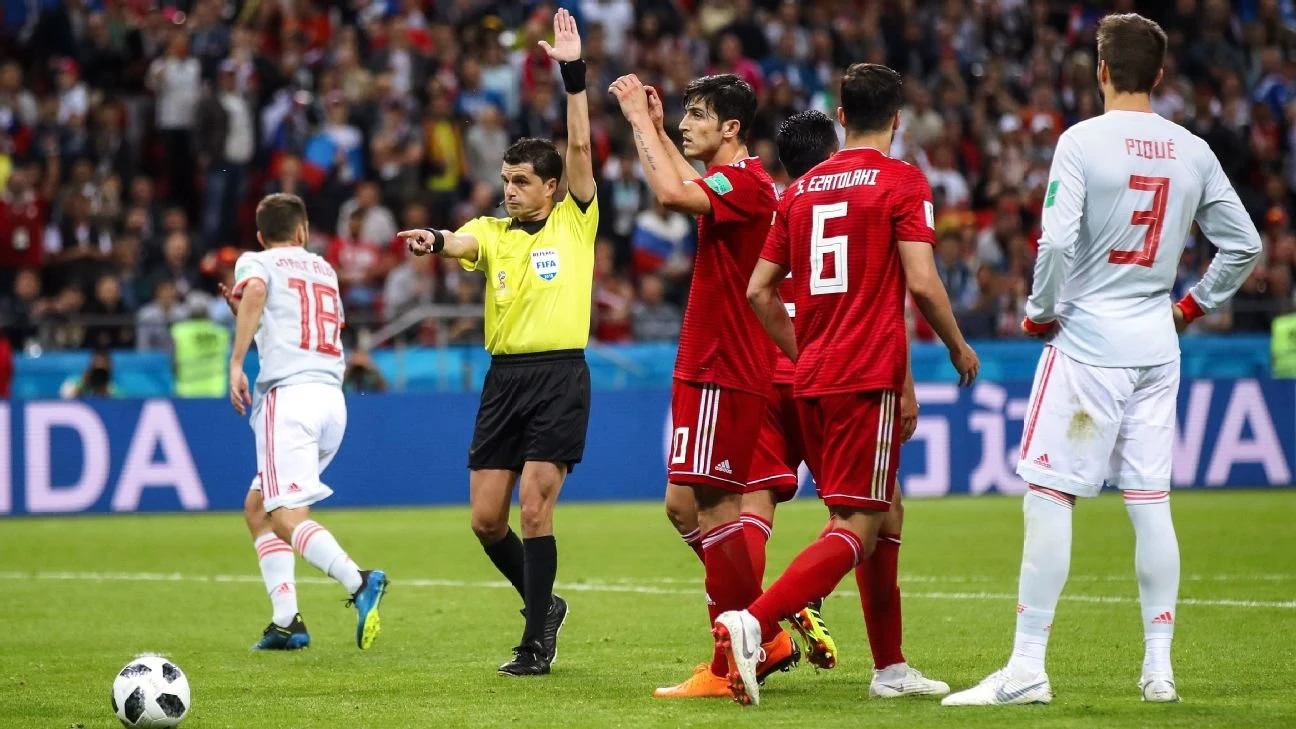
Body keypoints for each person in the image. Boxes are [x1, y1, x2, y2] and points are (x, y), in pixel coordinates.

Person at [942, 14, 1262, 707]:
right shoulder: (1193, 150)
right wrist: (1191, 306)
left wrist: (1039, 309)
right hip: (1156, 347)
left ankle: (1027, 667)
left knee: (1050, 494)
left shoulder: (1083, 141)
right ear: (1160, 75)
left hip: (1089, 347)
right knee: (1150, 503)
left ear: (1103, 71)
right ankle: (1159, 670)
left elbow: (1057, 242)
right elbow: (1245, 245)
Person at [725, 63, 980, 706]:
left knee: (885, 507)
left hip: (816, 377)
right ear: (898, 119)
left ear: (841, 117)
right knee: (858, 525)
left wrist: (805, 349)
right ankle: (755, 622)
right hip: (864, 377)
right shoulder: (902, 181)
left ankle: (890, 667)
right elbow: (921, 282)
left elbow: (758, 290)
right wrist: (957, 345)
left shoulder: (800, 191)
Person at [397, 9, 596, 677]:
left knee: (534, 504)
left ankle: (534, 643)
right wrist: (434, 241)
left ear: (551, 187)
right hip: (504, 379)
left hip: (559, 377)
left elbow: (580, 147)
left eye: (521, 182)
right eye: (506, 181)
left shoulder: (575, 220)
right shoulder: (492, 232)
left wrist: (573, 75)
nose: (509, 191)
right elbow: (459, 241)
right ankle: (547, 604)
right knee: (486, 520)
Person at [607, 71, 796, 698]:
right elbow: (684, 184)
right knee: (682, 506)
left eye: (697, 115)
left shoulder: (747, 183)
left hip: (725, 365)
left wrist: (639, 120)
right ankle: (765, 628)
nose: (686, 125)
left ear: (731, 128)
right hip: (704, 362)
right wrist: (659, 131)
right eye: (684, 115)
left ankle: (731, 657)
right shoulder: (731, 180)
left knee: (715, 508)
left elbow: (669, 194)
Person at [225, 193, 389, 652]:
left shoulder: (255, 262)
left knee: (285, 516)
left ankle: (359, 580)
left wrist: (237, 362)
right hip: (331, 400)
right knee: (259, 508)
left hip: (290, 400)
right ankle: (287, 622)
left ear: (262, 236)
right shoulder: (323, 268)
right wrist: (248, 316)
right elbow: (298, 322)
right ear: (302, 231)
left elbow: (257, 292)